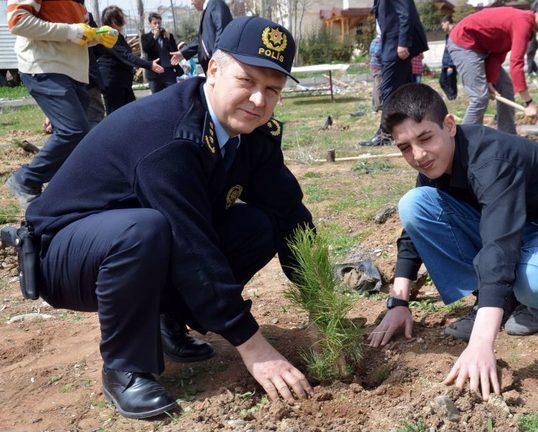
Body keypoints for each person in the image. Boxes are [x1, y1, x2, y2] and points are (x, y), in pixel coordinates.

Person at [10, 16, 313, 419]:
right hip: (65, 252)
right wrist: (252, 346)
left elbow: (288, 210)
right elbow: (190, 244)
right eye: (247, 81)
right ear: (214, 70)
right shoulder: (169, 134)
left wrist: (318, 297)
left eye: (272, 89)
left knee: (258, 225)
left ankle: (173, 321)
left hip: (139, 244)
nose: (258, 100)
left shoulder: (251, 134)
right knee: (144, 229)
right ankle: (126, 368)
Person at [369, 83, 538, 400]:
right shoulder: (435, 161)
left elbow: (499, 245)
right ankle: (500, 298)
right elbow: (414, 233)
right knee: (416, 204)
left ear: (449, 125)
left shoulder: (491, 159)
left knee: (535, 283)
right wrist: (399, 302)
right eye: (405, 147)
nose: (417, 155)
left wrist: (482, 342)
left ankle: (536, 300)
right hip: (515, 223)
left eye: (425, 138)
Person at [4, 0, 117, 208]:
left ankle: (64, 194)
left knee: (79, 138)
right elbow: (17, 21)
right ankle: (26, 180)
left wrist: (96, 36)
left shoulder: (78, 2)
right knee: (73, 131)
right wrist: (71, 31)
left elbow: (75, 34)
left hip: (73, 71)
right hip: (44, 66)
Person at [447, 0, 538, 134]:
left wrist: (490, 79)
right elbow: (516, 65)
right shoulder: (523, 23)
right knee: (479, 98)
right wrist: (528, 102)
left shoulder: (526, 28)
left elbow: (499, 51)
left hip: (483, 48)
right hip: (464, 43)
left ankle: (508, 136)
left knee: (505, 87)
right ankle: (465, 145)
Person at [359, 0, 428, 147]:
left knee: (389, 89)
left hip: (395, 45)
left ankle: (385, 133)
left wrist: (403, 42)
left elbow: (406, 12)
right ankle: (410, 126)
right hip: (390, 44)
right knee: (403, 88)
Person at [96, 6, 164, 114]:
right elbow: (126, 56)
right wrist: (149, 65)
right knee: (117, 116)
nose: (124, 19)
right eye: (121, 17)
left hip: (123, 82)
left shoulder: (116, 35)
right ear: (114, 20)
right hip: (114, 83)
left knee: (131, 113)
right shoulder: (107, 35)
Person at [170, 0, 232, 70]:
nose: (191, 3)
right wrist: (184, 52)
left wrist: (216, 58)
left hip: (219, 65)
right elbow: (201, 40)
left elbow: (223, 31)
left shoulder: (215, 3)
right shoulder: (208, 9)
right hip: (213, 65)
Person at [141, 12, 180, 94]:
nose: (157, 25)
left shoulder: (167, 35)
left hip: (168, 71)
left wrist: (169, 39)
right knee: (156, 97)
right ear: (150, 24)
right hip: (154, 73)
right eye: (155, 23)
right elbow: (146, 50)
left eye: (159, 23)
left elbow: (174, 51)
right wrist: (154, 37)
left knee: (173, 94)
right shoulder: (145, 37)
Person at [439, 15, 457, 101]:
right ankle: (451, 97)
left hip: (450, 64)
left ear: (447, 22)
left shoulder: (455, 33)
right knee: (442, 81)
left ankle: (453, 97)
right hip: (445, 63)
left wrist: (451, 65)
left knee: (451, 81)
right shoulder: (448, 35)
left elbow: (454, 50)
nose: (442, 27)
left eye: (442, 24)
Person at [369, 31, 383, 112]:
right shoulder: (380, 41)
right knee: (378, 86)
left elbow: (371, 52)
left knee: (375, 85)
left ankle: (375, 106)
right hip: (378, 66)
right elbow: (378, 53)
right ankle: (378, 106)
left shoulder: (374, 41)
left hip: (373, 65)